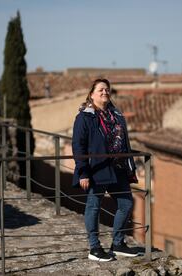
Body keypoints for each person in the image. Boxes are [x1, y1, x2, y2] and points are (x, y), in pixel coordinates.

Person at [72, 78, 141, 262]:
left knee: (126, 204)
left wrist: (129, 165)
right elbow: (78, 146)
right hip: (97, 168)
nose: (105, 92)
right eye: (101, 89)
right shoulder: (84, 117)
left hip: (117, 168)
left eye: (107, 90)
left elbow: (124, 143)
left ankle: (117, 243)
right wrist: (83, 172)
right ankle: (94, 248)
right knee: (94, 206)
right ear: (92, 94)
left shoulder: (116, 115)